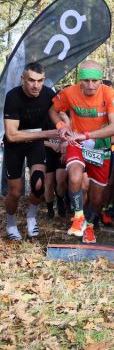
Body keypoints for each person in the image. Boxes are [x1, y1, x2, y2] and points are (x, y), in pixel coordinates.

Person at [49, 60, 114, 244]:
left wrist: (88, 136)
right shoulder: (69, 92)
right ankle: (78, 217)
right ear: (79, 80)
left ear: (101, 80)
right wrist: (61, 126)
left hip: (100, 146)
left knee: (97, 198)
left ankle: (89, 225)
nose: (90, 85)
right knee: (74, 177)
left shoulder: (109, 93)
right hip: (77, 142)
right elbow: (52, 110)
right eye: (86, 80)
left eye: (95, 81)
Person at [3, 62, 59, 240]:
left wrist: (64, 126)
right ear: (23, 79)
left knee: (38, 183)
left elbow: (58, 113)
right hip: (15, 146)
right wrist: (48, 133)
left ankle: (31, 217)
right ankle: (11, 222)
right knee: (15, 192)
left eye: (40, 81)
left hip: (35, 143)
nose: (36, 85)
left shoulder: (48, 93)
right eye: (31, 80)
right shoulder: (13, 97)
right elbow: (11, 135)